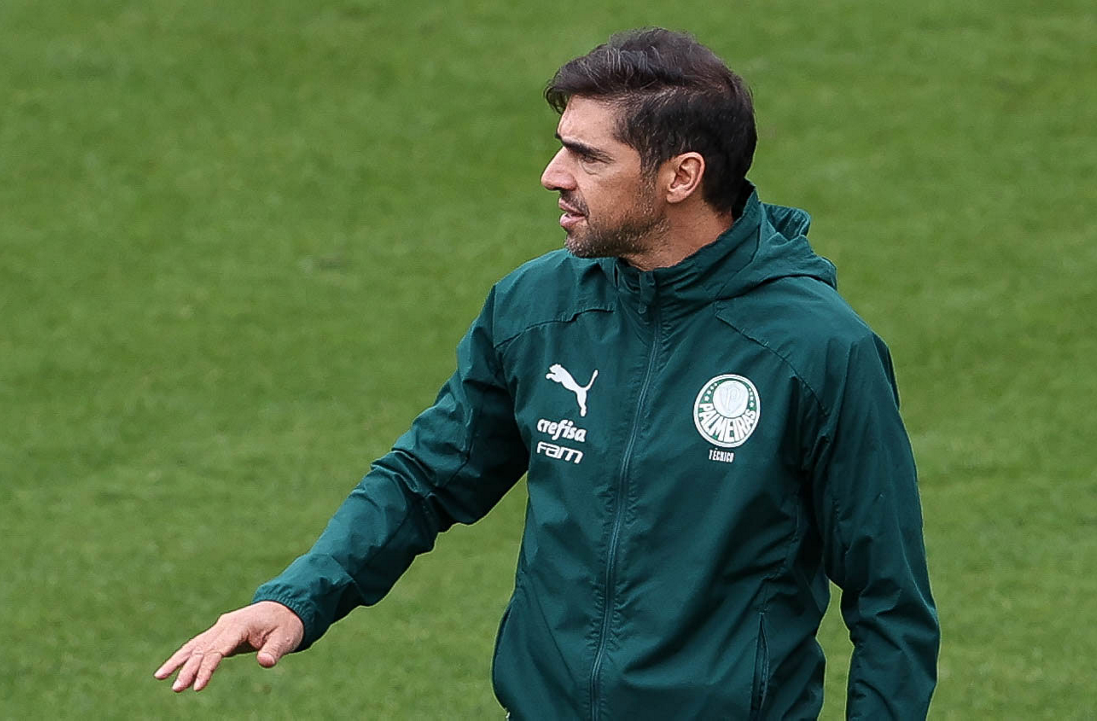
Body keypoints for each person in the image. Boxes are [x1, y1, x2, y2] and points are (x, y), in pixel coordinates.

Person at [155, 27, 939, 719]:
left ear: (681, 176)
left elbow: (890, 603)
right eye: (562, 144)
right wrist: (299, 598)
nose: (552, 174)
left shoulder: (818, 351)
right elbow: (425, 478)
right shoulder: (536, 309)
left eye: (588, 156)